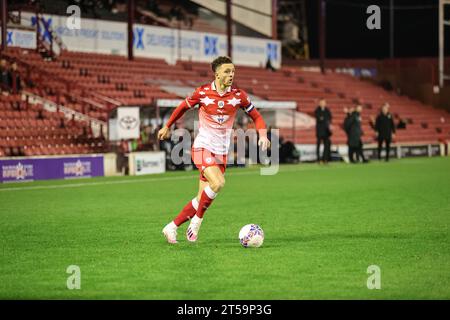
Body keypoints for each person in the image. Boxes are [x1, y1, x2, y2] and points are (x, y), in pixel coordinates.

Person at [158, 56, 270, 244]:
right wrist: (167, 125)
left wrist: (263, 135)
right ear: (217, 74)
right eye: (227, 71)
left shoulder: (238, 96)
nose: (231, 74)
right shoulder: (202, 93)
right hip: (202, 147)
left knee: (202, 197)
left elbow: (257, 116)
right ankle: (196, 222)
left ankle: (171, 227)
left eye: (233, 71)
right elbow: (182, 107)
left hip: (221, 153)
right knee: (218, 183)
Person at [314, 98, 332, 164]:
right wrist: (324, 119)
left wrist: (323, 119)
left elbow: (329, 118)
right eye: (321, 102)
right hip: (319, 131)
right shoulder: (317, 110)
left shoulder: (327, 110)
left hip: (326, 131)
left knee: (326, 145)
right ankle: (318, 159)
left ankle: (325, 159)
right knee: (318, 145)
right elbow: (319, 118)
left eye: (324, 102)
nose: (323, 103)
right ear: (319, 103)